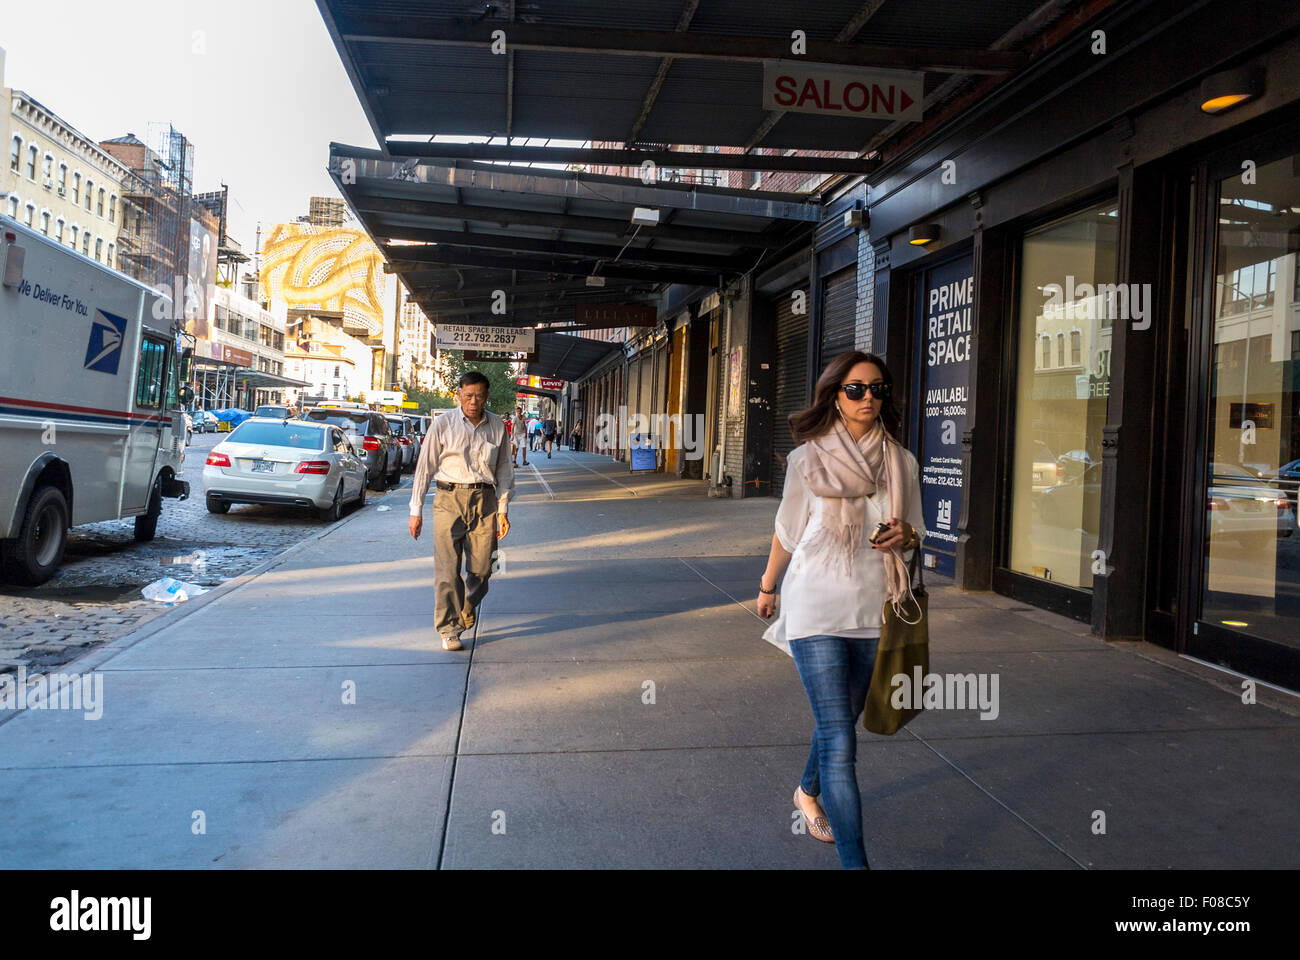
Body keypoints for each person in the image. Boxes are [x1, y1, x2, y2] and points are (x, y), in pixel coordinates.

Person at [756, 351, 925, 870]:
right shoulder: (808, 460)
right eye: (856, 389)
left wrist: (908, 536)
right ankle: (857, 864)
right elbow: (788, 532)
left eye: (878, 389)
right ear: (835, 395)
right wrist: (768, 587)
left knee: (841, 722)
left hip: (876, 606)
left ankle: (806, 791)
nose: (868, 397)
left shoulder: (903, 463)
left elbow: (915, 537)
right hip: (816, 606)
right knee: (841, 744)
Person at [408, 371, 514, 651]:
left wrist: (502, 510)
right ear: (458, 394)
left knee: (483, 567)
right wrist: (415, 509)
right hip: (448, 498)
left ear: (487, 396)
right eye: (468, 395)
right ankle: (449, 628)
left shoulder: (497, 426)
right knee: (447, 569)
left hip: (485, 499)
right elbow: (424, 469)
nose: (473, 401)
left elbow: (504, 469)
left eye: (479, 396)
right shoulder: (443, 425)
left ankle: (467, 605)